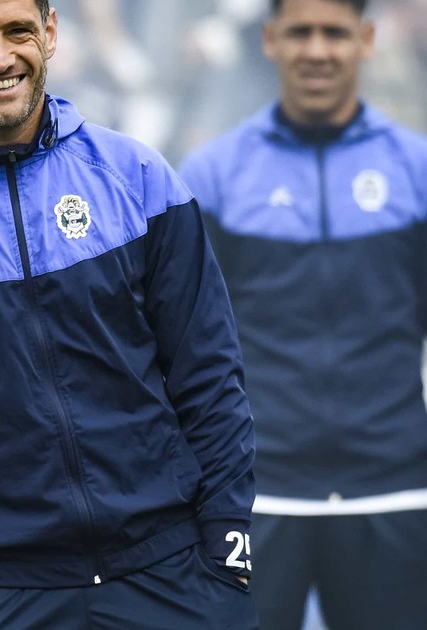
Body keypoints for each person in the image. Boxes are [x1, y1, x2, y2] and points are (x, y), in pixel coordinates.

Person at [0, 1, 259, 629]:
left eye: (18, 31)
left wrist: (226, 542)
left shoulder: (139, 178)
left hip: (176, 574)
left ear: (50, 32)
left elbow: (211, 376)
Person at [178, 1, 427, 627]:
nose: (317, 50)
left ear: (366, 39)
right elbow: (180, 344)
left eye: (335, 33)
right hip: (255, 494)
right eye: (300, 32)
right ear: (270, 39)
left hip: (395, 488)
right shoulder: (215, 176)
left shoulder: (416, 171)